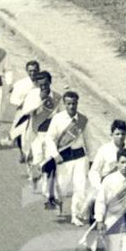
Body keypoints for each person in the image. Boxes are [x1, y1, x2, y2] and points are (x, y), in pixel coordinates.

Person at [43, 91, 90, 222]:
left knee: (80, 187)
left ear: (77, 103)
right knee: (62, 186)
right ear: (64, 104)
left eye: (74, 103)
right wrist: (55, 154)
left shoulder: (82, 120)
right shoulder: (58, 119)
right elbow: (49, 138)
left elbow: (88, 141)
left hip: (80, 156)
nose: (71, 106)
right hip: (64, 158)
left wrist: (91, 159)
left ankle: (76, 215)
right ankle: (59, 201)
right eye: (68, 104)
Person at [8, 59, 41, 157]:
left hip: (39, 112)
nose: (32, 73)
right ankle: (22, 152)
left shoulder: (42, 83)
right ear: (27, 71)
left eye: (34, 70)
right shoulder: (20, 84)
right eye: (30, 71)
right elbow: (14, 100)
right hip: (23, 112)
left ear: (38, 70)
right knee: (18, 132)